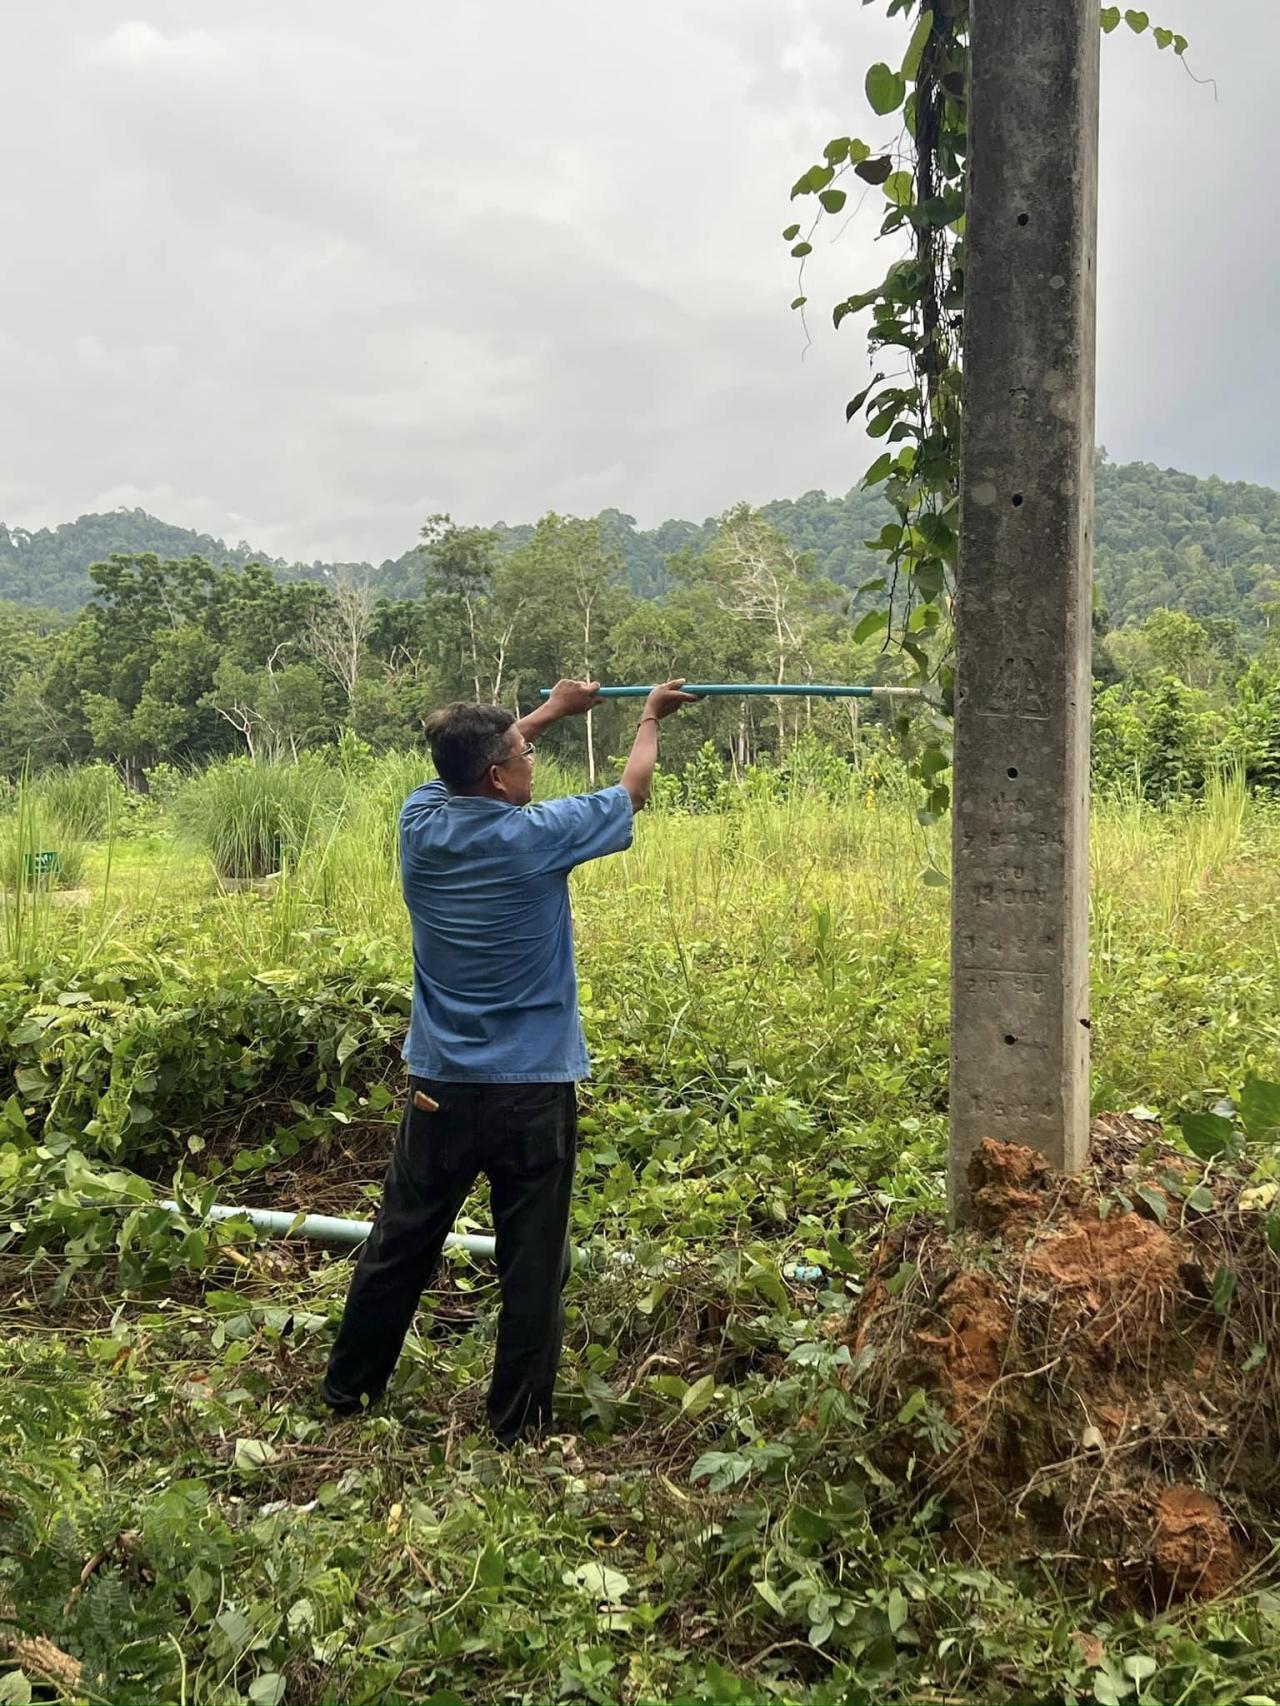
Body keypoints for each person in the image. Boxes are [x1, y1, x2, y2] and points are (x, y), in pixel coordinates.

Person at [322, 676, 698, 1443]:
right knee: (533, 1264)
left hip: (441, 1089)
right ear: (499, 775)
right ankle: (515, 1428)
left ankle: (347, 1393)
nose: (533, 758)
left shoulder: (420, 824)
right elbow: (633, 790)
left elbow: (461, 766)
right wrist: (650, 717)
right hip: (532, 1091)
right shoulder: (542, 834)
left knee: (400, 1243)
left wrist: (552, 713)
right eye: (525, 751)